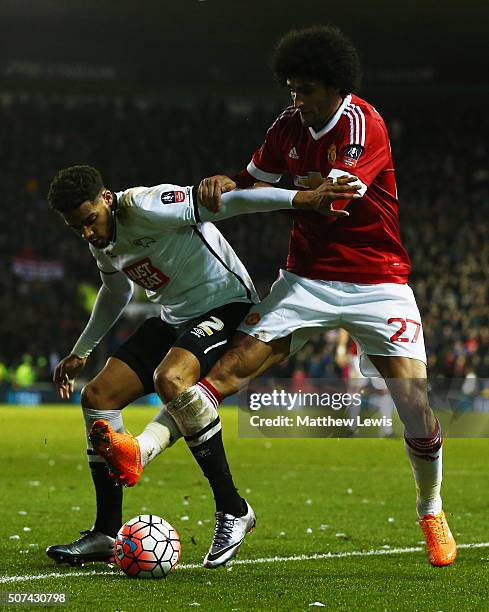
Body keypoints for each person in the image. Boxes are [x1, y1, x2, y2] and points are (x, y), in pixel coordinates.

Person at [107, 25, 456, 567]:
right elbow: (252, 179)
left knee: (415, 405)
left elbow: (332, 197)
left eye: (307, 89)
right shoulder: (287, 126)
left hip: (377, 282)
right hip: (305, 278)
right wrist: (223, 182)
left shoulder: (363, 124)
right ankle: (141, 450)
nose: (297, 100)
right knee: (222, 375)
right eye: (291, 88)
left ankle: (430, 509)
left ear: (336, 86)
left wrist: (275, 194)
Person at [44, 164, 359, 569]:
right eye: (77, 228)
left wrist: (305, 199)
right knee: (97, 396)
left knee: (170, 378)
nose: (87, 233)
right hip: (175, 317)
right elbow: (115, 289)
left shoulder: (146, 205)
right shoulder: (100, 237)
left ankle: (233, 508)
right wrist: (82, 351)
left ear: (106, 199)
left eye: (89, 221)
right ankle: (107, 533)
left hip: (226, 305)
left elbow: (233, 201)